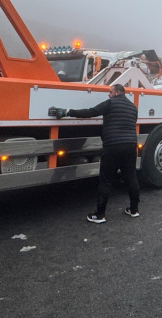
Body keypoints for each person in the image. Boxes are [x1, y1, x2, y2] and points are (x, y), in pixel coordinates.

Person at [49, 84, 139, 224]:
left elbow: (90, 112)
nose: (108, 95)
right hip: (130, 146)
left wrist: (67, 111)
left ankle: (100, 215)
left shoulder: (110, 103)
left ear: (117, 92)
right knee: (131, 177)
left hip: (113, 146)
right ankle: (134, 210)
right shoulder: (133, 108)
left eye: (110, 92)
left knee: (106, 180)